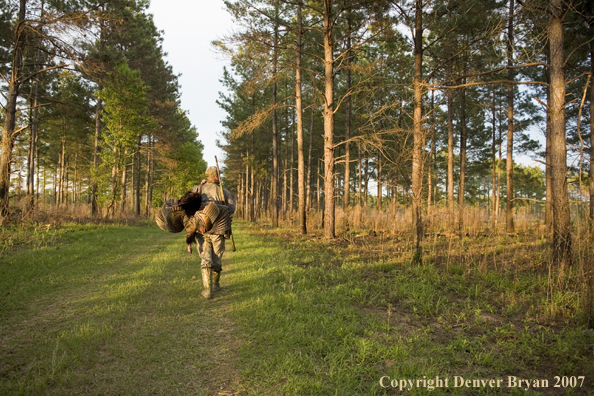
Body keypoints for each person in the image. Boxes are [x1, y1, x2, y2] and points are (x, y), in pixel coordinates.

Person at [192, 166, 235, 299]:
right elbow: (231, 208)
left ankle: (207, 290)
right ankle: (216, 285)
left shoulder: (197, 189)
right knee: (217, 258)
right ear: (216, 177)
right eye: (219, 175)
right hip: (219, 230)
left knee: (205, 258)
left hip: (201, 229)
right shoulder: (223, 191)